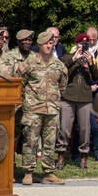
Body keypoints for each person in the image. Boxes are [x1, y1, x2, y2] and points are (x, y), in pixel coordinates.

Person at [18, 30, 68, 185]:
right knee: (30, 141)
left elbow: (62, 86)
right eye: (46, 43)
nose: (48, 45)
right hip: (33, 109)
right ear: (39, 44)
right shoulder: (30, 63)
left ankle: (48, 172)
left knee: (50, 142)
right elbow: (20, 84)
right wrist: (28, 101)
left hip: (52, 109)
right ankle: (28, 172)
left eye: (51, 43)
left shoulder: (59, 65)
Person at [57, 34, 98, 170]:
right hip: (68, 97)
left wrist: (91, 62)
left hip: (84, 98)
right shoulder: (68, 57)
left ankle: (83, 158)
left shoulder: (90, 58)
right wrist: (74, 58)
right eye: (81, 44)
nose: (83, 46)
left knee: (84, 129)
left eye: (86, 44)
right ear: (76, 44)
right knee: (64, 128)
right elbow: (60, 70)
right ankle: (61, 156)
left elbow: (96, 77)